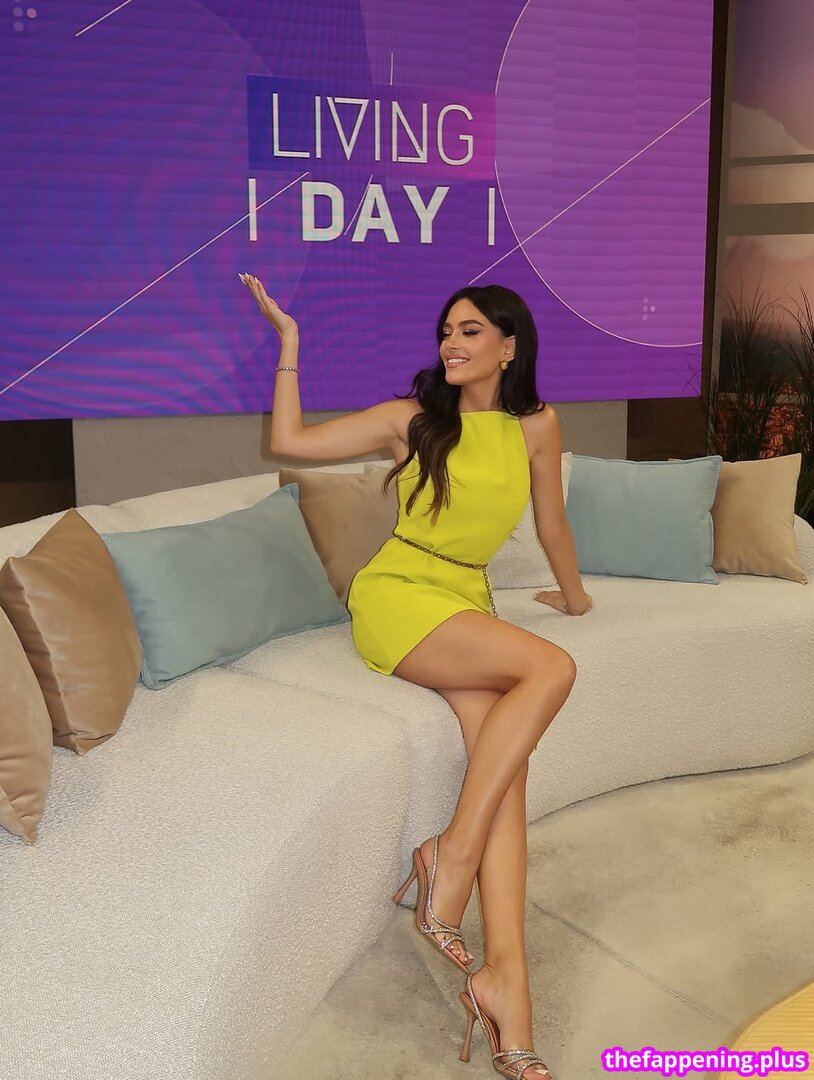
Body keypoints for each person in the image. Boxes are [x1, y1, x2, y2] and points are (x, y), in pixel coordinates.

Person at [240, 273, 592, 1080]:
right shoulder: (414, 420)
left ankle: (507, 989)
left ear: (509, 346)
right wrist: (290, 344)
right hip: (399, 595)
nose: (451, 344)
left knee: (507, 770)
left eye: (470, 331)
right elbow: (290, 441)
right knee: (551, 668)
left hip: (466, 603)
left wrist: (574, 597)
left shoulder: (538, 425)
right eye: (447, 331)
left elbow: (551, 521)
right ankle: (450, 857)